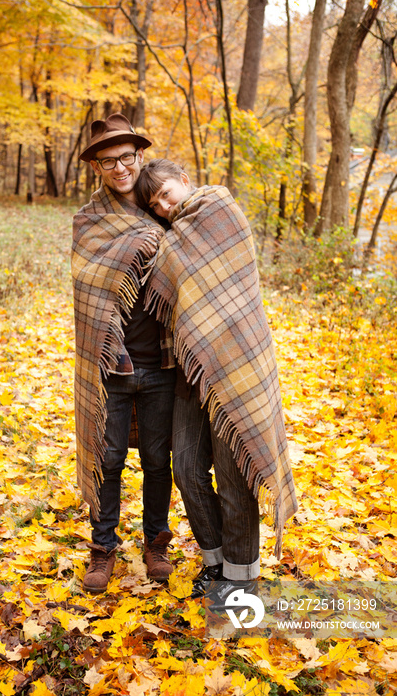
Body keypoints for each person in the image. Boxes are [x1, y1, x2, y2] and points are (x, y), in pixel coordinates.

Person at [135, 159, 298, 600]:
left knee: (232, 479)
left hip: (236, 364)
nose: (164, 206)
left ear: (184, 181)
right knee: (186, 468)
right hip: (193, 370)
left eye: (167, 194)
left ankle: (241, 578)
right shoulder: (169, 239)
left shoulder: (219, 209)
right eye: (154, 204)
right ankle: (216, 561)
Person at [72, 115, 176, 593]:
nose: (119, 168)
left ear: (139, 156)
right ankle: (103, 549)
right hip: (111, 364)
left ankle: (157, 544)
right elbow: (88, 286)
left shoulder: (166, 208)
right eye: (108, 160)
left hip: (160, 362)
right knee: (107, 458)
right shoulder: (89, 220)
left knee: (157, 460)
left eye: (127, 157)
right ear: (96, 166)